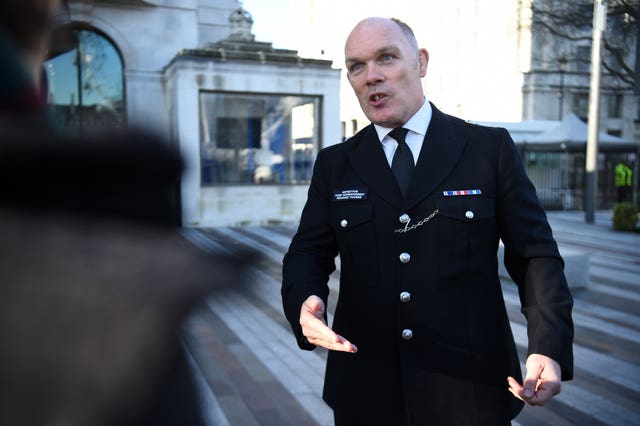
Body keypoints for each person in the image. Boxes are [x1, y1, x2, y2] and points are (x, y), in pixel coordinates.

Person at [282, 17, 574, 425]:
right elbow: (307, 251)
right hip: (366, 392)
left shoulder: (487, 150)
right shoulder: (336, 164)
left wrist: (548, 344)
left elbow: (535, 256)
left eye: (386, 58)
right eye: (356, 66)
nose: (372, 76)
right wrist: (304, 302)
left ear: (420, 62)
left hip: (471, 393)